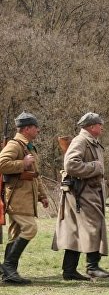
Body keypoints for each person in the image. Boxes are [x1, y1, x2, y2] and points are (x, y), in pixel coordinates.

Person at [51, 112, 109, 280]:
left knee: (75, 231)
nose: (102, 127)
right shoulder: (81, 141)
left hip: (87, 191)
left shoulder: (90, 141)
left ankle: (69, 271)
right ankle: (92, 266)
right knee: (95, 225)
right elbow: (71, 164)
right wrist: (95, 167)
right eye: (100, 124)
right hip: (82, 191)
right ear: (92, 126)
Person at [0, 112, 50, 284]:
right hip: (17, 198)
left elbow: (35, 175)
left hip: (25, 197)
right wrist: (23, 163)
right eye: (35, 127)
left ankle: (9, 274)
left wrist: (42, 195)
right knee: (30, 229)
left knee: (15, 235)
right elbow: (2, 164)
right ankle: (8, 266)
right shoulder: (15, 145)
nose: (38, 130)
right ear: (27, 128)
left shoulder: (28, 146)